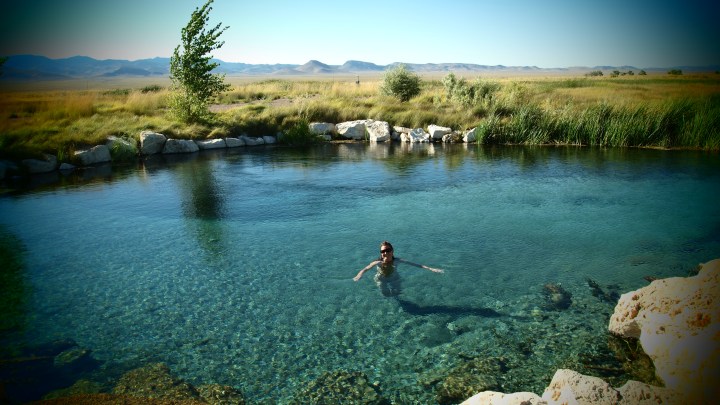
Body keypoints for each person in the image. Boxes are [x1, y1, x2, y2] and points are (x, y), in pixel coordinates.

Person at [353, 241, 444, 297]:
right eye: (383, 251)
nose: (385, 253)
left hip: (394, 278)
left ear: (392, 251)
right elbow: (365, 269)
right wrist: (359, 275)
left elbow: (417, 265)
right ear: (381, 253)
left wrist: (432, 269)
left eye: (388, 250)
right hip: (381, 279)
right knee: (386, 294)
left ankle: (397, 298)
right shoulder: (378, 262)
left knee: (398, 292)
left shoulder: (397, 261)